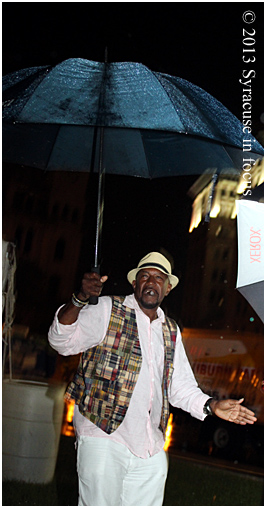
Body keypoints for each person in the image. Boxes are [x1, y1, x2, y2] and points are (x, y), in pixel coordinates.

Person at [48, 252, 257, 506]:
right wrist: (79, 299)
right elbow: (61, 341)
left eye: (159, 278)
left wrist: (212, 405)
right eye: (144, 275)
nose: (151, 281)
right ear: (134, 284)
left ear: (167, 288)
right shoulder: (106, 309)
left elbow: (180, 387)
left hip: (150, 446)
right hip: (103, 435)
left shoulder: (170, 329)